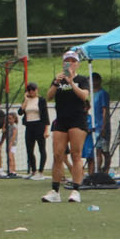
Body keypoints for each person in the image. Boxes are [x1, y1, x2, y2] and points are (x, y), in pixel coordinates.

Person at [42, 50, 90, 203]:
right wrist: (57, 82)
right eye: (67, 61)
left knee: (76, 154)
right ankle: (55, 190)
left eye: (73, 61)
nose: (70, 63)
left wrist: (71, 82)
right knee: (58, 154)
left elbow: (84, 96)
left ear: (77, 64)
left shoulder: (82, 79)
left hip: (77, 119)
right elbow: (49, 96)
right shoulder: (58, 79)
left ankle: (76, 190)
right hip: (61, 119)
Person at [21, 81, 49, 179]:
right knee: (29, 149)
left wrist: (46, 129)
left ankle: (41, 171)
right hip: (29, 126)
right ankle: (33, 170)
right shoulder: (27, 100)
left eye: (33, 89)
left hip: (39, 125)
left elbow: (45, 115)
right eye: (29, 90)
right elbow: (20, 112)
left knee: (41, 149)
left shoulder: (41, 100)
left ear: (37, 90)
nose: (31, 92)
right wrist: (25, 100)